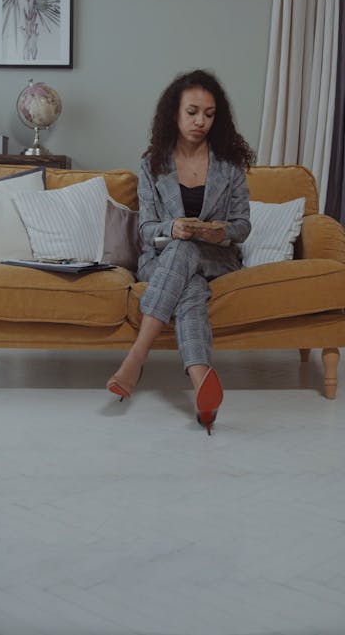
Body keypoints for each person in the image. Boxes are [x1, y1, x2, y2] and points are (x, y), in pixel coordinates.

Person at [107, 69, 255, 434]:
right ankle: (202, 383)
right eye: (192, 112)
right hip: (162, 258)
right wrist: (171, 228)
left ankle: (136, 358)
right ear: (174, 113)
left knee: (187, 251)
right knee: (188, 282)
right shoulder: (151, 164)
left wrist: (219, 232)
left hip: (216, 257)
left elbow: (243, 225)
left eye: (208, 114)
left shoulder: (230, 166)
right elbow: (145, 231)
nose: (200, 121)